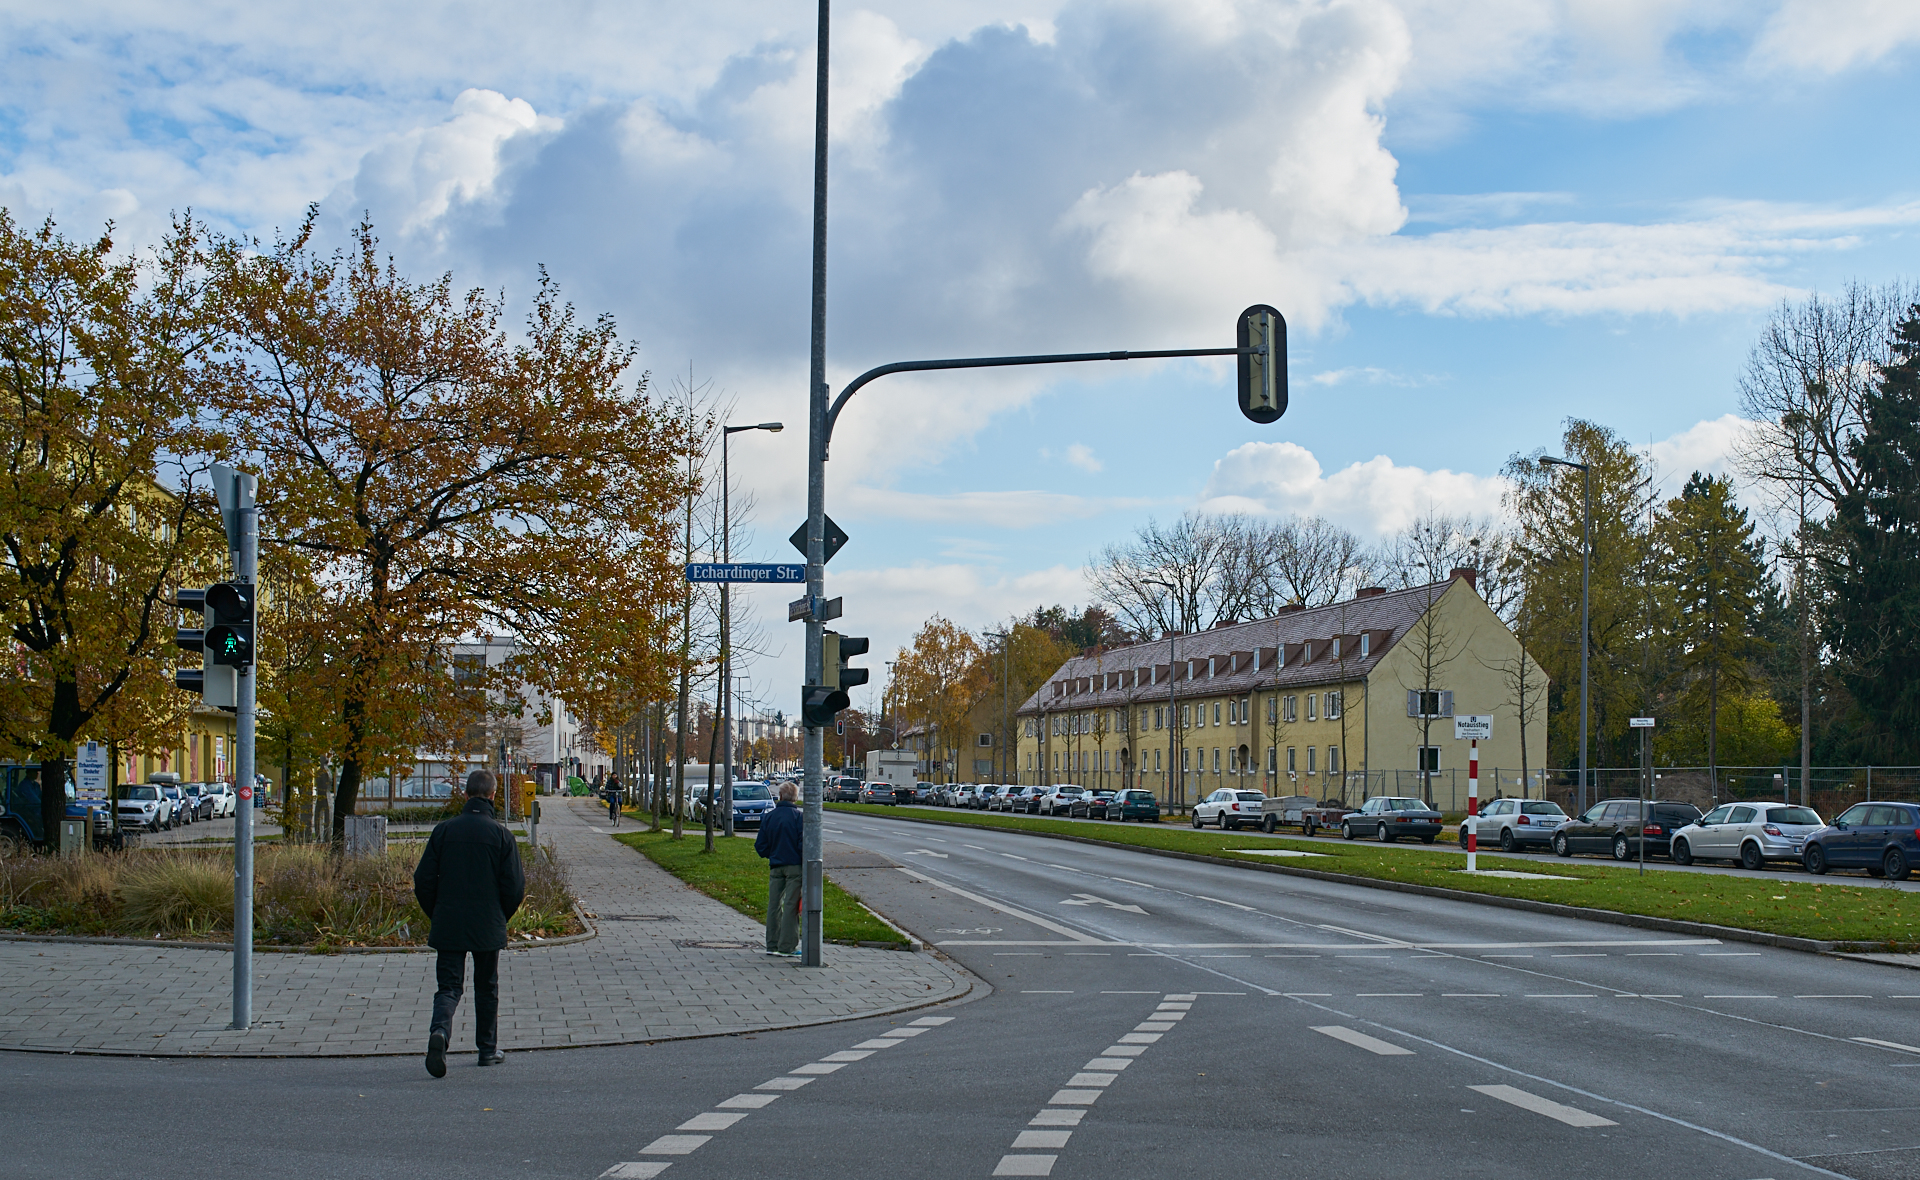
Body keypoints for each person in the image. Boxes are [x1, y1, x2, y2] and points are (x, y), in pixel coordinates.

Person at [413, 769, 526, 1077]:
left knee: (448, 986)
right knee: (487, 986)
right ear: (492, 796)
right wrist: (500, 916)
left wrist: (436, 912)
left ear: (465, 795)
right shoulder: (502, 835)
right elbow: (514, 886)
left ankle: (440, 1033)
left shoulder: (444, 831)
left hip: (449, 921)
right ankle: (487, 1051)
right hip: (487, 922)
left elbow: (423, 880)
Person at [753, 781, 804, 957]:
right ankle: (787, 946)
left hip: (776, 865)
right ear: (795, 798)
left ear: (780, 796)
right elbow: (803, 844)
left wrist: (772, 853)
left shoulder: (769, 817)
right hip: (795, 867)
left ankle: (772, 944)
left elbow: (760, 845)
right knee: (790, 905)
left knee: (774, 904)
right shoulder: (799, 817)